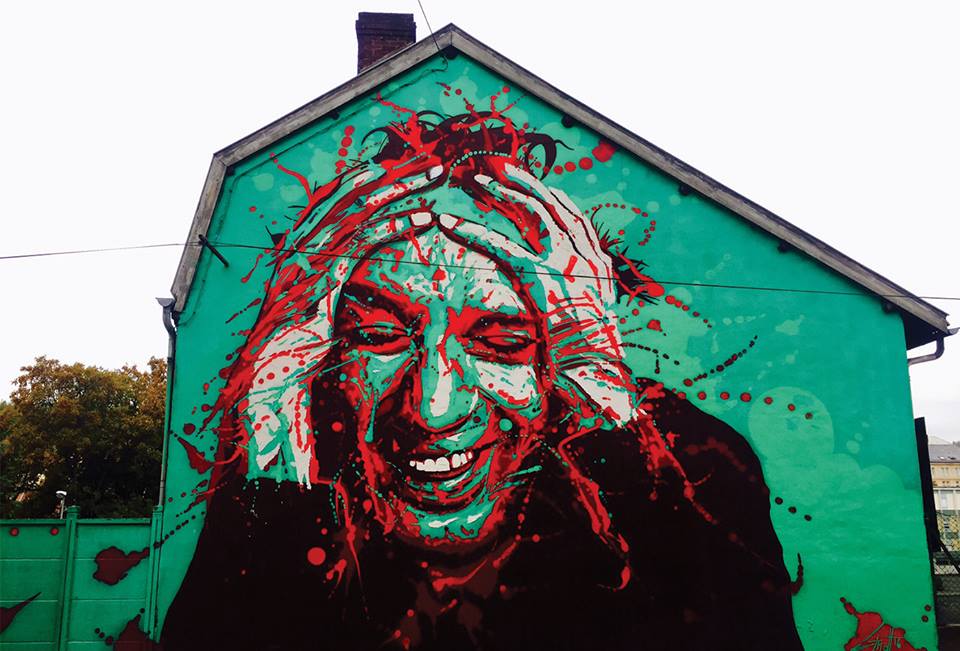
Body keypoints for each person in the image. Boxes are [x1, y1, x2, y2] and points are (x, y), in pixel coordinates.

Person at [161, 107, 804, 650]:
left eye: (501, 343)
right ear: (318, 356)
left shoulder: (698, 472)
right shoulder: (293, 491)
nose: (435, 407)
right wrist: (272, 470)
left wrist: (613, 431)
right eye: (380, 337)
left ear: (565, 353)